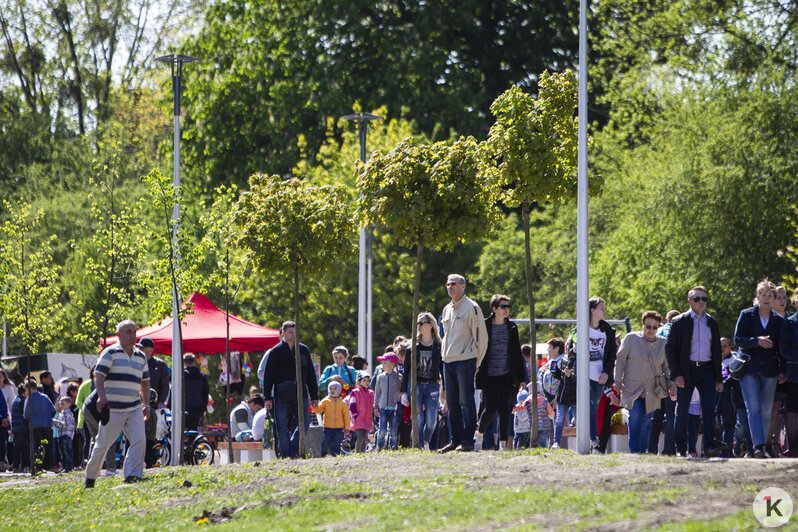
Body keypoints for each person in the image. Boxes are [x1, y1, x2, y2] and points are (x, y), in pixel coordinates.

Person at [84, 319, 150, 488]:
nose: (132, 336)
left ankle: (132, 475)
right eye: (128, 332)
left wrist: (146, 404)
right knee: (103, 443)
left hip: (134, 407)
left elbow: (145, 382)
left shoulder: (141, 356)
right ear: (119, 335)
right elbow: (98, 376)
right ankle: (90, 477)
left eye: (134, 332)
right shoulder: (110, 353)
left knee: (139, 440)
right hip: (113, 408)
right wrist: (101, 396)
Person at [666, 285, 726, 457]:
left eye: (704, 299)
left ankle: (708, 445)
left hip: (707, 369)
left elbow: (716, 350)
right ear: (689, 301)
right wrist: (676, 374)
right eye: (697, 299)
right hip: (687, 370)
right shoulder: (680, 321)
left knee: (708, 408)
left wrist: (718, 378)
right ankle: (681, 448)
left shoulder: (712, 322)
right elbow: (670, 349)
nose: (701, 302)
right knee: (683, 410)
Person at [734, 279, 784, 458]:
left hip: (770, 369)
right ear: (758, 296)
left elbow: (781, 347)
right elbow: (737, 339)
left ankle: (761, 445)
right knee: (753, 407)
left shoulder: (778, 320)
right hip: (749, 369)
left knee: (766, 409)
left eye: (770, 295)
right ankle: (758, 446)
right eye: (763, 294)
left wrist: (782, 370)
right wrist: (756, 341)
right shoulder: (746, 315)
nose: (767, 298)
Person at [439, 274, 488, 453]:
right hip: (448, 361)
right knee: (451, 403)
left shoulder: (472, 307)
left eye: (454, 284)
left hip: (466, 360)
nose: (450, 287)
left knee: (466, 401)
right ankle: (455, 440)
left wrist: (478, 361)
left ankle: (467, 440)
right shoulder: (447, 309)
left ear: (463, 287)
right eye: (448, 284)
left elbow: (481, 338)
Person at [261, 321, 320, 458]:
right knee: (281, 427)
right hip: (281, 395)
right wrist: (267, 397)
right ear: (283, 333)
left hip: (301, 394)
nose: (293, 335)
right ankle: (286, 455)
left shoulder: (303, 350)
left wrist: (314, 395)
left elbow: (311, 374)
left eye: (295, 332)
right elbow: (268, 376)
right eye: (290, 332)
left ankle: (293, 450)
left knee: (305, 424)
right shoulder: (275, 352)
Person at [475, 295, 527, 451]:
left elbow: (517, 354)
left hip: (506, 374)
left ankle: (503, 444)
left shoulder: (512, 327)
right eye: (503, 306)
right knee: (490, 408)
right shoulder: (484, 326)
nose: (506, 309)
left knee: (505, 409)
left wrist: (521, 378)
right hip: (488, 374)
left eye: (508, 306)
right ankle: (479, 433)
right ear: (494, 308)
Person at [566, 296, 617, 450]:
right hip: (583, 375)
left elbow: (611, 355)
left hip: (599, 376)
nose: (605, 311)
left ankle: (591, 439)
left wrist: (607, 373)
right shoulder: (580, 328)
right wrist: (573, 350)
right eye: (602, 308)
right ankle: (594, 441)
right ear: (592, 310)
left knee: (593, 408)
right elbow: (570, 352)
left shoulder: (607, 331)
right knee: (588, 407)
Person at [614, 311, 669, 453]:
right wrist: (618, 380)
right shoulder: (631, 338)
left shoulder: (662, 343)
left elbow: (666, 366)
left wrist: (672, 384)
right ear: (642, 325)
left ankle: (642, 450)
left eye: (654, 327)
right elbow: (620, 359)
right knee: (636, 414)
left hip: (653, 388)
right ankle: (634, 450)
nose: (651, 330)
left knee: (647, 420)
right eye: (648, 326)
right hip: (632, 387)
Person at [400, 312, 443, 450]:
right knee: (419, 419)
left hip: (433, 386)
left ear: (430, 325)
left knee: (431, 421)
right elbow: (406, 370)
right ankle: (418, 448)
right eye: (417, 323)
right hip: (415, 385)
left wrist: (445, 389)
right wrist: (403, 392)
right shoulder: (411, 347)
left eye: (421, 323)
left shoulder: (439, 346)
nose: (418, 326)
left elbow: (443, 370)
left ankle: (424, 442)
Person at [649, 310, 680, 454]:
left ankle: (651, 449)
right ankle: (669, 449)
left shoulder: (658, 331)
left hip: (656, 377)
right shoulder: (679, 331)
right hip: (672, 376)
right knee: (671, 414)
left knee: (656, 415)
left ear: (666, 320)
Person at [780, 291, 798, 456]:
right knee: (792, 411)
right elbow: (784, 349)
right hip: (794, 374)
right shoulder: (789, 323)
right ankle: (793, 447)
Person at [23, 379, 56, 472]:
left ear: (29, 388)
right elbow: (53, 409)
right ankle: (51, 465)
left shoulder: (29, 399)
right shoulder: (45, 397)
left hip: (35, 425)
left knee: (38, 446)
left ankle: (39, 466)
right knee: (49, 445)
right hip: (47, 424)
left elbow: (25, 415)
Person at [312, 381, 350, 457]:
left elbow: (346, 416)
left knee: (337, 442)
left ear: (339, 391)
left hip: (339, 428)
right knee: (325, 441)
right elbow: (319, 410)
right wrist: (313, 407)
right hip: (327, 426)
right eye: (330, 388)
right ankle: (323, 455)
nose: (332, 390)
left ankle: (335, 455)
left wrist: (347, 428)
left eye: (335, 389)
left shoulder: (342, 403)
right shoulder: (325, 401)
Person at [550, 338, 575, 449]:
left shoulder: (578, 359)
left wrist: (570, 375)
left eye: (569, 345)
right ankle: (556, 443)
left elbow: (576, 378)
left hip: (575, 396)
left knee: (579, 420)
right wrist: (554, 370)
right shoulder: (562, 359)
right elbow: (560, 376)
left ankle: (583, 441)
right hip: (563, 395)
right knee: (559, 420)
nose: (567, 347)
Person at [374, 352, 401, 451]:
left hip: (394, 409)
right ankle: (380, 447)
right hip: (383, 408)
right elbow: (377, 393)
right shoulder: (380, 377)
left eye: (385, 362)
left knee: (393, 431)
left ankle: (393, 448)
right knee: (382, 430)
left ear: (393, 364)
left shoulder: (399, 378)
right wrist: (375, 406)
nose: (383, 364)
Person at [139, 337, 170, 410]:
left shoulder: (160, 364)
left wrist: (161, 401)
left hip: (154, 406)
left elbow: (165, 385)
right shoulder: (134, 362)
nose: (139, 349)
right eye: (139, 347)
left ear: (151, 350)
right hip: (136, 404)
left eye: (142, 347)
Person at [349, 372, 374, 453]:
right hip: (358, 419)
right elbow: (352, 404)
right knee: (360, 437)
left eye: (368, 380)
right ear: (359, 382)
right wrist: (355, 415)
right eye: (364, 380)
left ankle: (362, 452)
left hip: (367, 420)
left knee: (365, 438)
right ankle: (357, 452)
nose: (367, 382)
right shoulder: (355, 392)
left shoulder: (371, 393)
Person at [183, 353, 209, 432]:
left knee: (181, 432)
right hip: (197, 408)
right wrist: (203, 408)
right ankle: (192, 444)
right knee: (193, 430)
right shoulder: (202, 376)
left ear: (184, 362)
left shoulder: (181, 375)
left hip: (183, 407)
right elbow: (205, 393)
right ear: (194, 362)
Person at [53, 396, 76, 472]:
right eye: (60, 404)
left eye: (63, 404)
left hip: (66, 435)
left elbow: (66, 424)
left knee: (67, 451)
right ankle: (64, 466)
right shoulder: (61, 413)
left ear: (69, 404)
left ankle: (69, 467)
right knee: (62, 452)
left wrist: (57, 422)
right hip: (61, 434)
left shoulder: (68, 413)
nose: (61, 406)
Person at [10, 384, 28, 472]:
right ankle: (25, 466)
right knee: (24, 447)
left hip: (16, 428)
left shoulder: (14, 401)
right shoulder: (23, 401)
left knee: (17, 448)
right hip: (22, 427)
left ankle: (15, 466)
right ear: (24, 392)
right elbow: (25, 415)